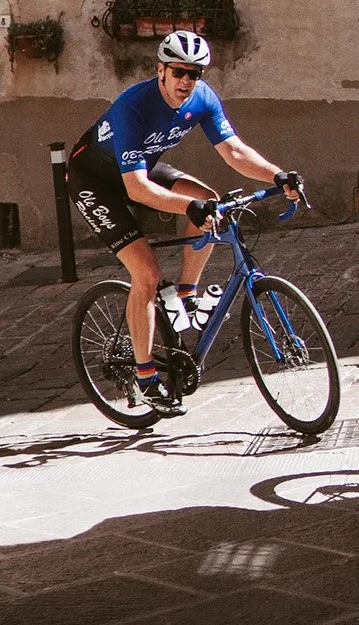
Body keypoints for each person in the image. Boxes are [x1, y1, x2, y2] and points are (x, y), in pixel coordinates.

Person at [65, 29, 301, 399]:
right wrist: (189, 206)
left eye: (195, 74)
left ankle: (187, 292)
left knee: (210, 199)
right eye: (179, 72)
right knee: (147, 271)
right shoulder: (134, 106)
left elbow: (234, 152)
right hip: (95, 182)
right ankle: (145, 378)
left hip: (139, 169)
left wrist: (277, 174)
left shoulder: (203, 99)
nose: (187, 81)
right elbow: (136, 189)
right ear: (160, 70)